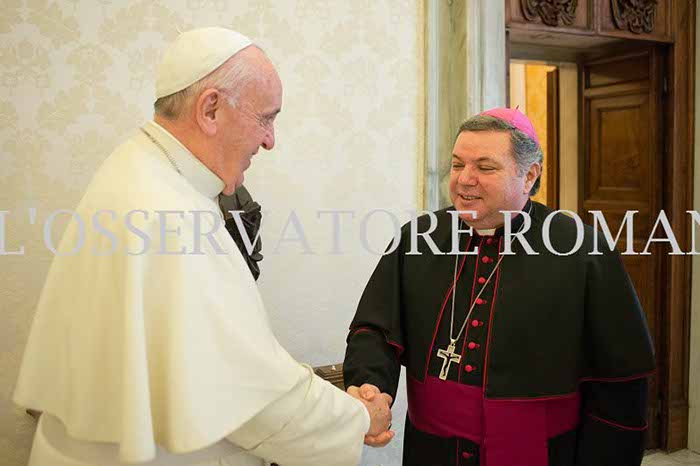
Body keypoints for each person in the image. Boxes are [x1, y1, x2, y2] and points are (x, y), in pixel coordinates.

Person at [14, 27, 392, 466]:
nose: (270, 140)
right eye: (266, 118)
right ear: (210, 109)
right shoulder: (169, 211)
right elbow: (251, 397)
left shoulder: (138, 170)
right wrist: (358, 419)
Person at [343, 108, 655, 466]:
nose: (464, 179)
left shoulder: (584, 249)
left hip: (540, 454)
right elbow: (375, 329)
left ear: (529, 176)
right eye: (457, 165)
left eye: (485, 167)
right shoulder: (419, 238)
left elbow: (620, 382)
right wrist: (370, 385)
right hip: (432, 451)